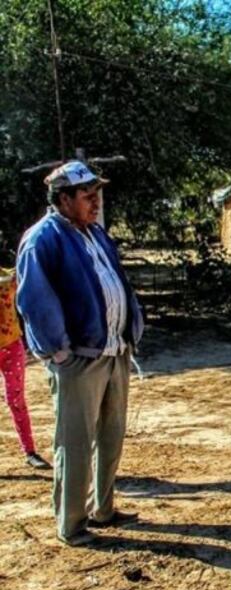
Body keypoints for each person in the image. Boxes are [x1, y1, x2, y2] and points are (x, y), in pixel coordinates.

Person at [17, 161, 143, 546]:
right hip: (79, 360)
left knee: (111, 436)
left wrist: (130, 330)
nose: (95, 202)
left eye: (97, 195)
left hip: (114, 351)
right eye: (88, 196)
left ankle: (103, 509)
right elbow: (35, 301)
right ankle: (71, 525)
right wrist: (58, 353)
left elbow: (115, 283)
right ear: (64, 199)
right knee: (75, 443)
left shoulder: (96, 234)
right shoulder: (43, 239)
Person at [0, 267, 50, 469]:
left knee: (16, 400)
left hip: (11, 346)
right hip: (11, 343)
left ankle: (29, 451)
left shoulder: (11, 275)